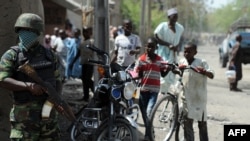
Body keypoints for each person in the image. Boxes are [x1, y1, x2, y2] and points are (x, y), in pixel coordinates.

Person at [0, 13, 62, 140]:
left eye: (30, 31)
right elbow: (2, 79)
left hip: (48, 116)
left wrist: (55, 99)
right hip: (24, 119)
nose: (25, 34)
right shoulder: (11, 55)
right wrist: (28, 86)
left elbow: (58, 80)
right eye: (22, 30)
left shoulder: (50, 55)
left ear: (38, 32)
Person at [134, 37, 171, 141]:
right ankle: (150, 131)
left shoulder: (160, 60)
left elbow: (163, 74)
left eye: (151, 46)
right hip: (142, 91)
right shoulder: (141, 60)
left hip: (153, 91)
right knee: (144, 114)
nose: (149, 48)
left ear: (156, 48)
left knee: (149, 112)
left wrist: (168, 69)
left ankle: (147, 136)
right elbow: (138, 74)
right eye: (147, 46)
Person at [178, 42, 214, 141]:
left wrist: (204, 72)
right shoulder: (182, 62)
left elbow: (212, 74)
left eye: (189, 52)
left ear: (195, 52)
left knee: (201, 123)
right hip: (186, 98)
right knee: (187, 122)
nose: (186, 54)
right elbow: (178, 73)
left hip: (199, 98)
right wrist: (178, 69)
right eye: (185, 51)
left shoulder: (202, 62)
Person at [154, 7, 184, 94]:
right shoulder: (162, 26)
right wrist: (168, 45)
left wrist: (176, 47)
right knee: (164, 70)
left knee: (173, 71)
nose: (175, 18)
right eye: (173, 16)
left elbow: (179, 38)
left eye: (176, 16)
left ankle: (168, 92)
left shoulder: (179, 27)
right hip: (163, 52)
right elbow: (156, 37)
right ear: (169, 17)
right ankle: (161, 91)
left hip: (173, 53)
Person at [70, 26, 94, 102]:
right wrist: (72, 62)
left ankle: (96, 92)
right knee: (84, 80)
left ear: (89, 33)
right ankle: (86, 96)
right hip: (84, 63)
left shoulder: (91, 42)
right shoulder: (82, 42)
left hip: (90, 63)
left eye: (86, 32)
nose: (85, 33)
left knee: (87, 79)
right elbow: (78, 53)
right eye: (84, 32)